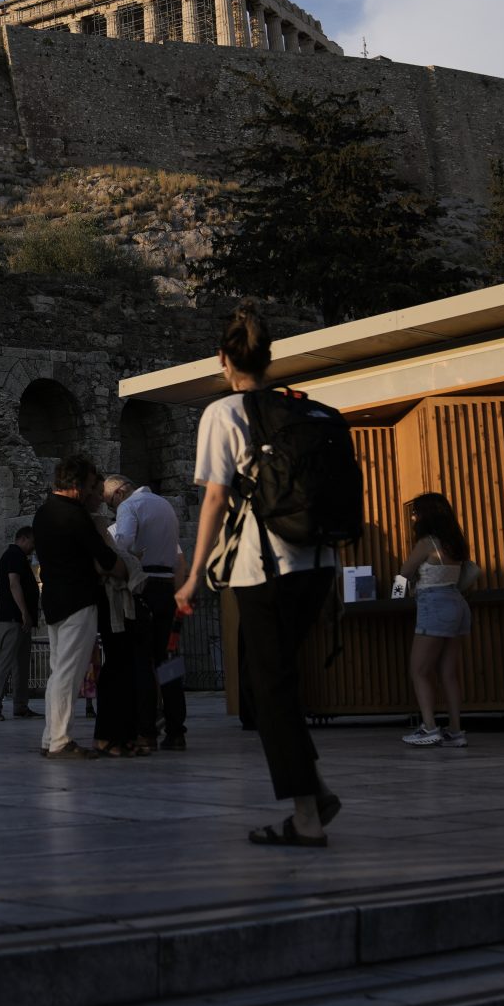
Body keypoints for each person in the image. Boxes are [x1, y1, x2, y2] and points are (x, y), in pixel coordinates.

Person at [175, 310, 342, 848]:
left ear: (223, 361)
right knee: (280, 684)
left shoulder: (224, 412)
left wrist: (194, 573)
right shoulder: (303, 409)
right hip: (318, 562)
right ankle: (313, 791)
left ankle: (307, 818)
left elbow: (217, 498)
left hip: (263, 568)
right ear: (268, 361)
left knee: (268, 692)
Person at [34, 454, 123, 760]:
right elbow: (104, 557)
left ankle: (51, 736)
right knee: (68, 673)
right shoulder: (74, 514)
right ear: (76, 485)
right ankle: (60, 740)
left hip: (55, 601)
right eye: (88, 485)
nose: (91, 492)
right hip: (78, 599)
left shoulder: (43, 513)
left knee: (59, 670)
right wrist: (123, 567)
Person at [105, 475, 186, 753]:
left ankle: (146, 732)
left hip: (146, 587)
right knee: (168, 660)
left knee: (142, 661)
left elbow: (123, 543)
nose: (111, 508)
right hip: (168, 586)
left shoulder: (130, 507)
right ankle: (177, 729)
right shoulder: (164, 505)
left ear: (118, 493)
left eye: (109, 502)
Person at [396, 492, 480, 750]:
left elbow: (405, 573)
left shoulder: (427, 542)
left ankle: (430, 728)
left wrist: (396, 595)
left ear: (426, 515)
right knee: (448, 673)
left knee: (419, 670)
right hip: (457, 604)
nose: (413, 516)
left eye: (416, 511)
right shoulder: (455, 542)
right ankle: (455, 731)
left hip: (434, 604)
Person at [0, 526, 38, 721]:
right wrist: (25, 612)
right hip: (13, 619)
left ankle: (20, 706)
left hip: (19, 620)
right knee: (6, 662)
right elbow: (14, 583)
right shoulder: (14, 555)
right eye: (33, 543)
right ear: (24, 539)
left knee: (21, 664)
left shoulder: (17, 556)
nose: (33, 548)